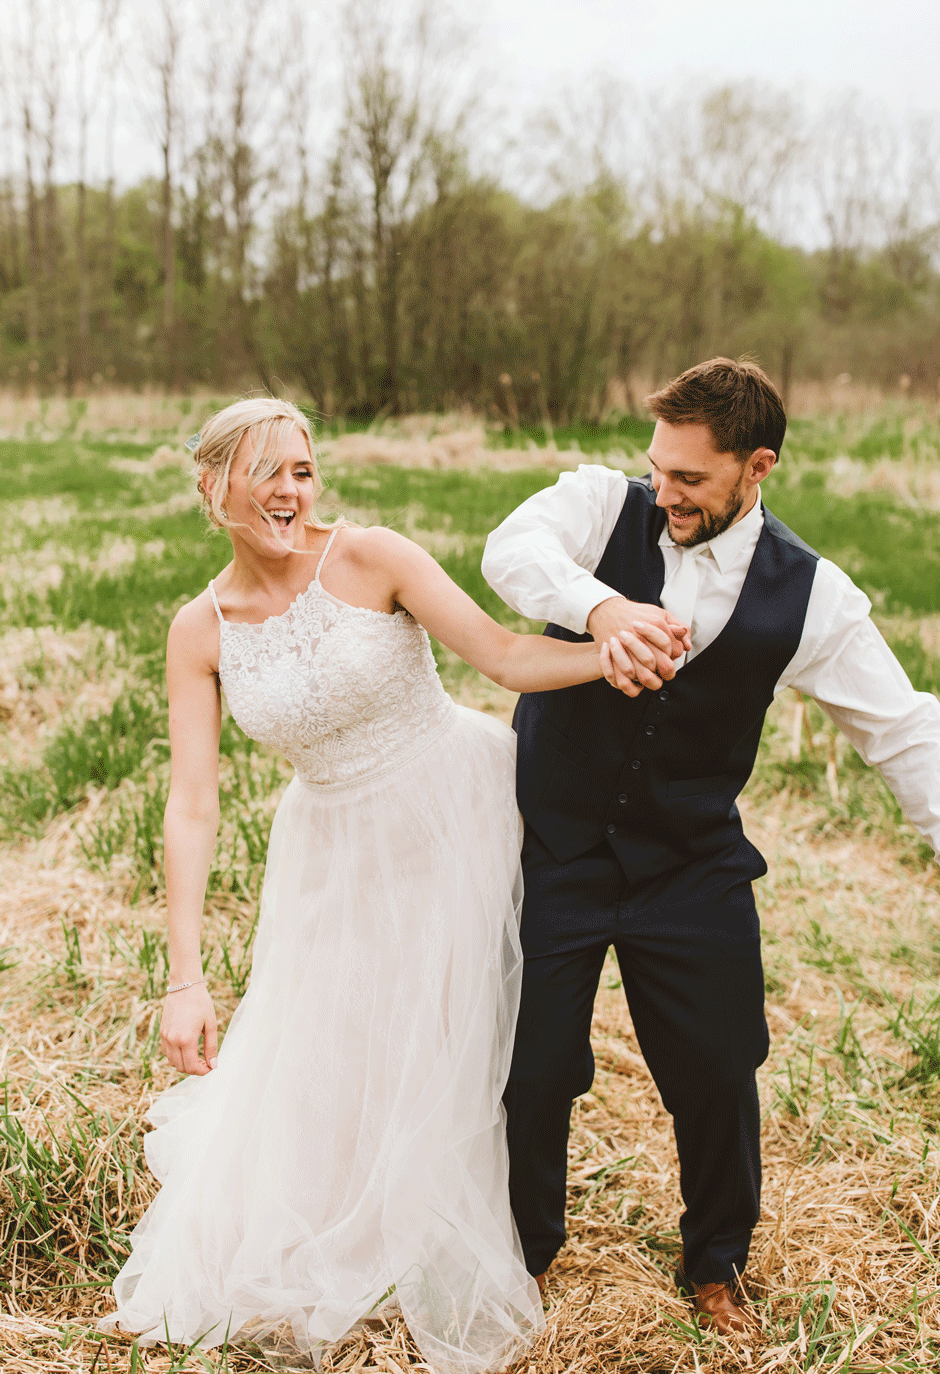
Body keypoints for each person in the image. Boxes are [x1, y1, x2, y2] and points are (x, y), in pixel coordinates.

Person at [99, 397, 662, 1372]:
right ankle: (348, 1225)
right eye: (267, 470)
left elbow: (503, 657)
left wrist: (607, 653)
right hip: (328, 844)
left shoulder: (373, 557)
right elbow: (190, 805)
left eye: (303, 468)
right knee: (330, 1042)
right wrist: (185, 979)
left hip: (453, 809)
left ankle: (468, 1222)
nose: (291, 489)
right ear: (213, 486)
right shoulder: (200, 629)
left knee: (448, 1030)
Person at [481, 357, 940, 1335]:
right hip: (556, 848)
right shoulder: (601, 506)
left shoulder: (812, 595)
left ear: (756, 467)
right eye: (659, 468)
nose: (665, 493)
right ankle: (524, 1252)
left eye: (690, 478)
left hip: (689, 861)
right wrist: (601, 608)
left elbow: (902, 731)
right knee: (533, 1066)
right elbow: (508, 549)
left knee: (720, 1068)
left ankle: (717, 1263)